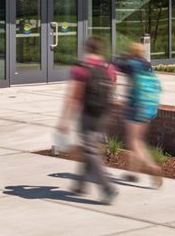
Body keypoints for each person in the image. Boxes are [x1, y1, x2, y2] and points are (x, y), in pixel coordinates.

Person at [60, 35, 119, 203]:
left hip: (87, 113)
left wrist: (65, 120)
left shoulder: (81, 68)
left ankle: (107, 188)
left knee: (90, 150)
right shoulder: (109, 67)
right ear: (100, 50)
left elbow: (74, 96)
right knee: (90, 148)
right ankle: (79, 186)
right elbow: (113, 88)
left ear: (86, 49)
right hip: (104, 113)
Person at [117, 41, 164, 187]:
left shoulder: (131, 64)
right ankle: (133, 173)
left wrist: (125, 56)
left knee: (133, 141)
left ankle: (152, 167)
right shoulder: (147, 65)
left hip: (135, 106)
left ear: (132, 52)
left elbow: (114, 64)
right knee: (138, 139)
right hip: (150, 105)